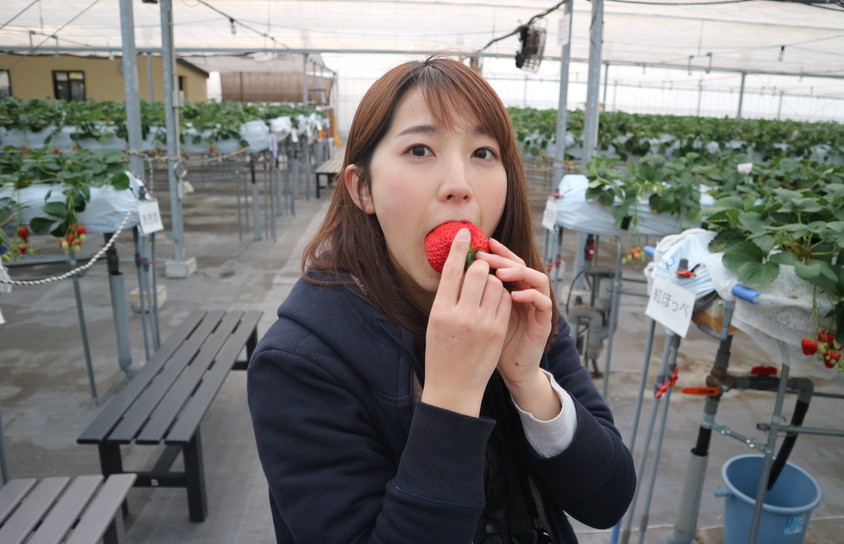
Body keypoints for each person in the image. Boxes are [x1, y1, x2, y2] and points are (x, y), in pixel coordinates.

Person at [247, 56, 636, 543]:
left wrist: (528, 379)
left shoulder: (520, 306)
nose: (459, 185)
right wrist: (453, 396)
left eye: (483, 153)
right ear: (363, 188)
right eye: (419, 150)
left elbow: (608, 500)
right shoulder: (299, 364)